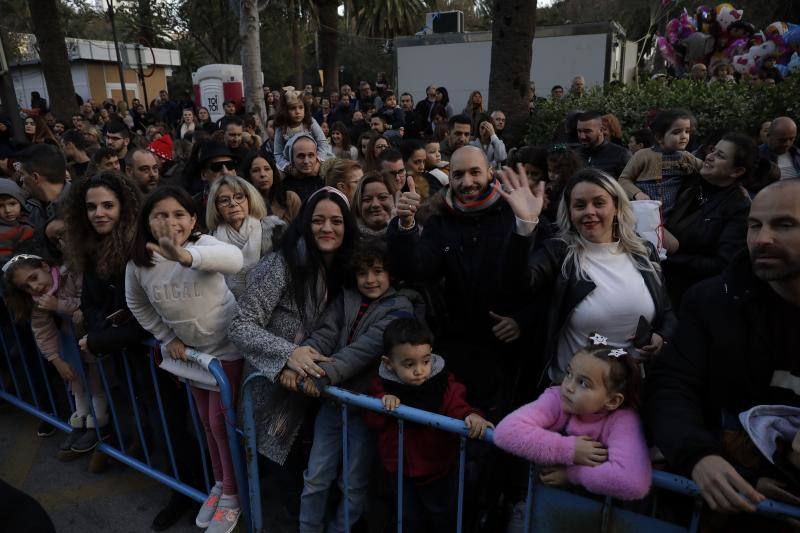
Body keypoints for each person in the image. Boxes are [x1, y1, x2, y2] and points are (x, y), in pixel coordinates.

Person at [646, 179, 800, 517]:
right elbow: (672, 384)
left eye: (784, 224)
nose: (762, 239)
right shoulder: (712, 301)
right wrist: (699, 457)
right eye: (754, 225)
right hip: (723, 504)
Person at [228, 188, 358, 525]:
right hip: (273, 400)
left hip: (317, 393)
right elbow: (241, 325)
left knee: (319, 486)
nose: (326, 228)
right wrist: (288, 355)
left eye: (336, 221)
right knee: (293, 493)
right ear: (304, 224)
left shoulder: (348, 270)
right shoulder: (281, 263)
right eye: (317, 220)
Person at [126, 186, 244, 533]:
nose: (170, 221)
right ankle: (221, 484)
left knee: (222, 424)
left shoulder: (202, 246)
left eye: (179, 214)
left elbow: (234, 260)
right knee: (207, 424)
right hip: (193, 357)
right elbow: (137, 304)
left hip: (227, 350)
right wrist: (168, 337)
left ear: (193, 219)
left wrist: (186, 258)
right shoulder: (139, 262)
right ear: (147, 221)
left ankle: (234, 495)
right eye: (160, 214)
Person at [500, 167, 676, 384]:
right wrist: (524, 225)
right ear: (570, 212)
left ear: (616, 206)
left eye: (599, 203)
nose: (589, 211)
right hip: (570, 393)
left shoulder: (644, 251)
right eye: (580, 205)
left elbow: (666, 309)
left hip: (628, 391)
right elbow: (516, 286)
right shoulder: (559, 252)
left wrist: (663, 336)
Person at [296, 240, 420, 533]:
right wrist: (304, 360)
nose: (370, 279)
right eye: (363, 273)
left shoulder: (399, 309)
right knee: (315, 477)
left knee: (353, 483)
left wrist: (319, 375)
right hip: (332, 402)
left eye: (378, 271)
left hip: (365, 407)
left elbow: (364, 350)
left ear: (391, 274)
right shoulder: (346, 298)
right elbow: (325, 333)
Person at [363, 318, 493, 532]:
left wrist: (472, 416)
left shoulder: (443, 382)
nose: (420, 371)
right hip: (399, 471)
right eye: (409, 364)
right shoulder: (381, 385)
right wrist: (382, 403)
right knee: (408, 519)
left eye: (425, 361)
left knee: (444, 518)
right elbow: (371, 420)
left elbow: (458, 406)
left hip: (438, 469)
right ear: (388, 363)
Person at [494, 336, 651, 501]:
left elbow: (632, 482)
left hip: (592, 518)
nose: (568, 386)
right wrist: (570, 450)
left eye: (583, 383)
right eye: (569, 374)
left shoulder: (623, 420)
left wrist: (573, 474)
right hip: (534, 505)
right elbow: (506, 431)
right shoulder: (557, 399)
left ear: (612, 401)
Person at [3, 254, 109, 460]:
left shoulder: (70, 275)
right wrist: (56, 359)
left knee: (96, 386)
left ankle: (99, 426)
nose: (34, 288)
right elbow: (42, 330)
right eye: (26, 287)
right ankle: (81, 424)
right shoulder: (38, 300)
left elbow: (86, 307)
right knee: (76, 384)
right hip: (70, 344)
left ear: (44, 266)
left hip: (92, 341)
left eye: (34, 278)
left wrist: (58, 306)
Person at [661, 133, 753, 306]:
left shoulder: (739, 207)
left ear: (737, 171)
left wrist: (666, 258)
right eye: (713, 150)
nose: (709, 156)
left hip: (692, 297)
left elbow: (722, 264)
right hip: (662, 285)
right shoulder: (688, 184)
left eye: (720, 155)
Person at [206, 176, 285, 298]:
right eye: (224, 200)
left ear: (250, 199)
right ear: (215, 207)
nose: (233, 203)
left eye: (239, 197)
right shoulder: (210, 240)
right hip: (226, 308)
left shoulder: (276, 230)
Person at [619, 109, 702, 214]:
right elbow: (623, 180)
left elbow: (706, 170)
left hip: (668, 217)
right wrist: (637, 194)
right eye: (677, 132)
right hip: (640, 213)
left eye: (687, 131)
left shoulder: (686, 158)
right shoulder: (643, 155)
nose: (684, 136)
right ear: (659, 137)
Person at [273, 88, 332, 172]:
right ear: (285, 111)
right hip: (292, 167)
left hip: (315, 163)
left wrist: (317, 164)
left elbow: (322, 143)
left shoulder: (310, 122)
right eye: (293, 108)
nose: (298, 111)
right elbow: (278, 153)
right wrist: (288, 168)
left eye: (301, 107)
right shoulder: (281, 127)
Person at [17, 144, 70, 233]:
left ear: (35, 177)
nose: (21, 179)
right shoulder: (30, 207)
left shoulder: (80, 205)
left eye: (23, 174)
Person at [241, 151, 301, 224]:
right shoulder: (243, 204)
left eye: (267, 169)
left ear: (273, 172)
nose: (263, 174)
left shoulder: (290, 198)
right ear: (248, 176)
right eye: (255, 171)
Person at [575, 111, 631, 178]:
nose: (582, 136)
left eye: (587, 131)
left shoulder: (621, 155)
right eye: (579, 131)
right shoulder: (575, 155)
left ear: (601, 130)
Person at [283, 133, 325, 204]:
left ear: (316, 157)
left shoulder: (326, 181)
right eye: (301, 156)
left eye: (311, 155)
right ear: (292, 158)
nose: (306, 161)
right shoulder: (284, 187)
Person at [352, 173, 396, 238]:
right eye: (367, 199)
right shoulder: (347, 239)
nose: (375, 204)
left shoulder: (408, 232)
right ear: (358, 205)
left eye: (382, 197)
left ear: (393, 200)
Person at [0, 180, 34, 264]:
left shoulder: (25, 229)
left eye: (12, 204)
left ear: (21, 203)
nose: (7, 210)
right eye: (0, 206)